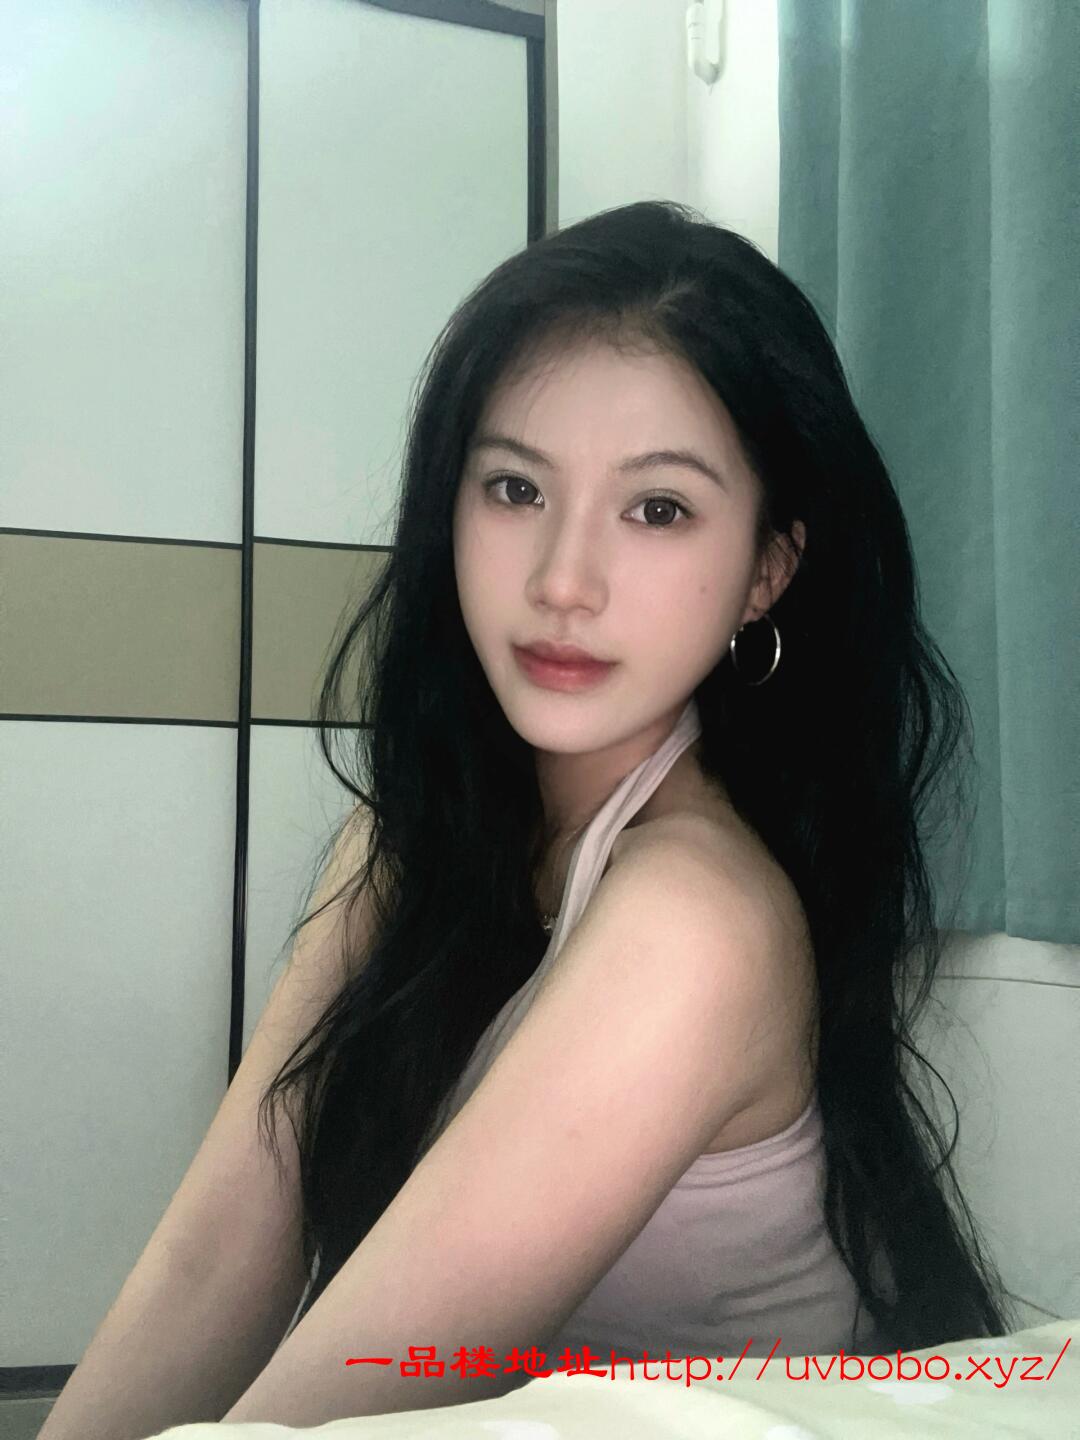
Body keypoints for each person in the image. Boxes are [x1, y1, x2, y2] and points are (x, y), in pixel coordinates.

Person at [40, 200, 1017, 1438]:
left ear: (766, 571)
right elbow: (215, 1257)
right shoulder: (405, 848)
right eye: (514, 488)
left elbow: (352, 1394)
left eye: (658, 510)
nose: (562, 581)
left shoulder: (694, 924)